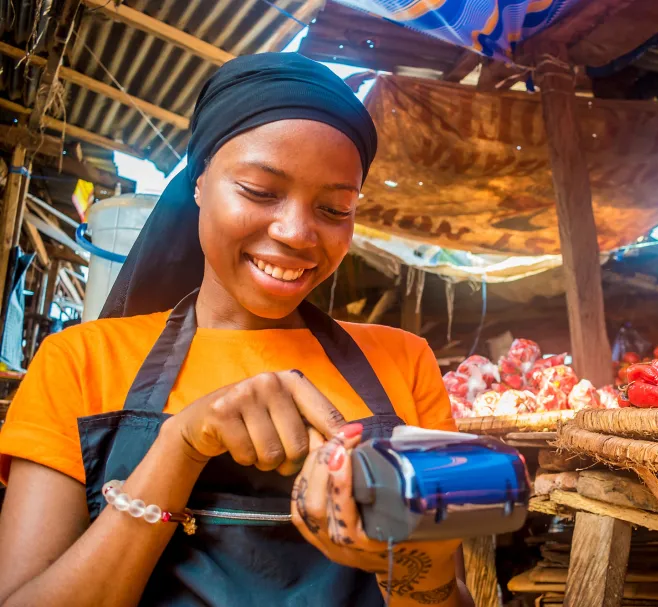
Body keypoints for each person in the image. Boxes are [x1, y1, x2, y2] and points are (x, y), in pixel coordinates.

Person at [0, 53, 473, 607]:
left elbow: (441, 595)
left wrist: (414, 562)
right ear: (199, 183)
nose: (298, 233)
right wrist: (180, 447)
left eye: (334, 208)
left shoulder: (405, 361)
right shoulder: (79, 362)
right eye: (259, 190)